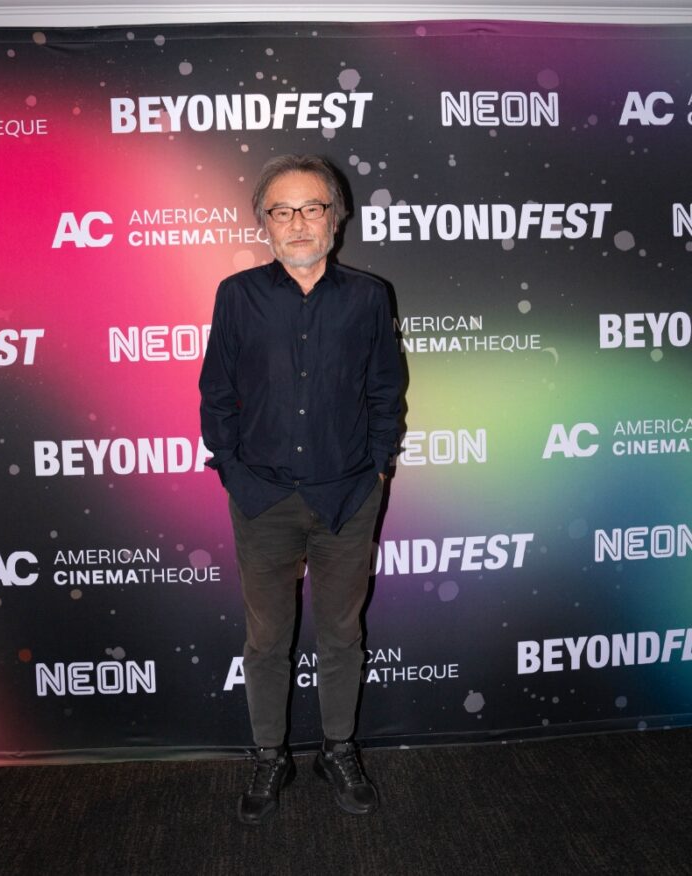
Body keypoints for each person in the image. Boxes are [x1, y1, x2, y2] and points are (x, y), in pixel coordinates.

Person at [199, 154, 402, 825]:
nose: (297, 223)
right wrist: (233, 471)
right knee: (266, 640)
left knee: (342, 634)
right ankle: (269, 755)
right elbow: (216, 393)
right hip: (263, 500)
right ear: (265, 223)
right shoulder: (237, 295)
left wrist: (377, 467)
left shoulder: (369, 296)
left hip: (348, 497)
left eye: (312, 208)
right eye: (281, 211)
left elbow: (386, 390)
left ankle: (337, 749)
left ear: (335, 219)